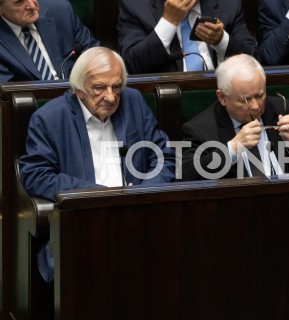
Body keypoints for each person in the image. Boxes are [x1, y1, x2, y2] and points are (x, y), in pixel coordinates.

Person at [19, 46, 176, 283]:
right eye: (100, 88)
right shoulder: (50, 118)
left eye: (116, 87)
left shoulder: (132, 101)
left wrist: (143, 195)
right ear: (79, 90)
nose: (111, 97)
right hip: (84, 226)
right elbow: (36, 175)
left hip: (140, 219)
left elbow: (163, 155)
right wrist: (97, 197)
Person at [181, 53, 289, 181]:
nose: (255, 106)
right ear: (222, 97)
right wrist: (232, 149)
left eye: (259, 95)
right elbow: (186, 176)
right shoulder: (200, 129)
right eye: (245, 100)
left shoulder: (287, 110)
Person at [117, 0, 259, 74]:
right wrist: (168, 22)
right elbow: (131, 65)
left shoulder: (228, 3)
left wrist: (221, 40)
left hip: (225, 95)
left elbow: (254, 59)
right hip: (169, 102)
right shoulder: (135, 5)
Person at [0, 0, 100, 83]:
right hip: (31, 104)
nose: (32, 5)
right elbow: (7, 94)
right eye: (19, 2)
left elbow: (95, 57)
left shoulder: (61, 11)